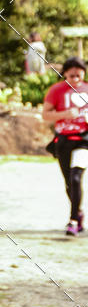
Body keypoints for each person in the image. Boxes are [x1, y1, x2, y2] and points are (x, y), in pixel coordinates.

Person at [43, 57, 88, 236]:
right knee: (69, 183)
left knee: (76, 178)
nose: (75, 74)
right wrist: (65, 114)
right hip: (62, 141)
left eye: (79, 70)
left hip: (83, 140)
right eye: (71, 71)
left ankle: (73, 221)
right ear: (65, 73)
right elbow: (46, 115)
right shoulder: (56, 90)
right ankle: (78, 212)